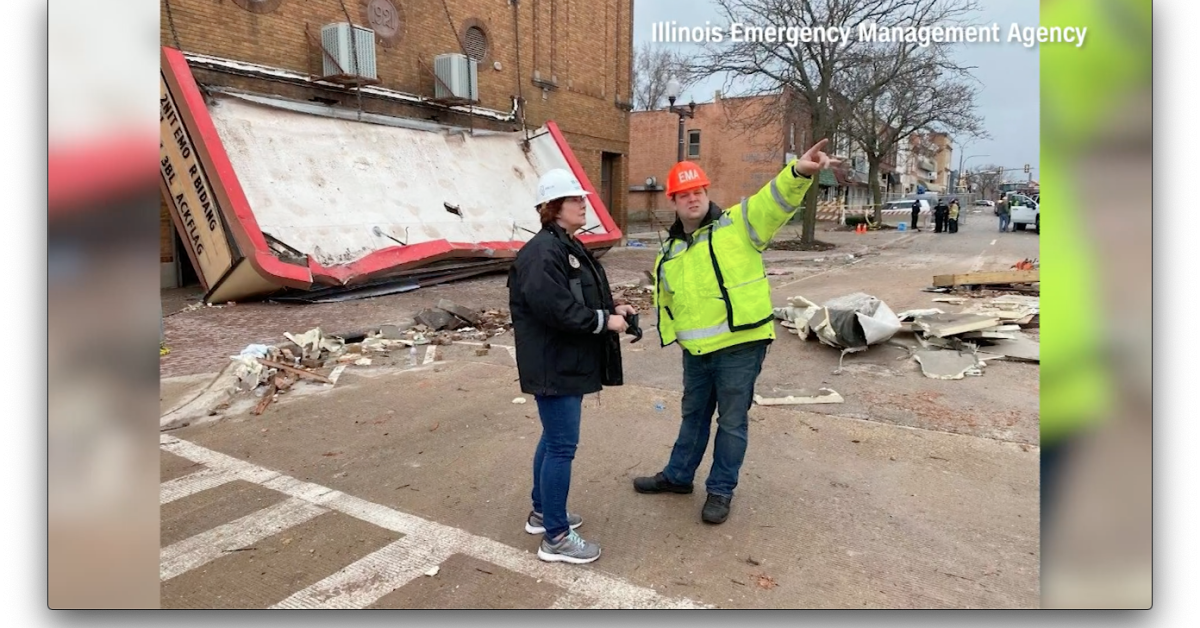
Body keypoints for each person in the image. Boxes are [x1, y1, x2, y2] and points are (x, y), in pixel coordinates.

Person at [632, 139, 839, 524]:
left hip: (741, 345)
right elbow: (670, 302)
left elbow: (772, 200)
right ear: (673, 201)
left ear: (707, 193)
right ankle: (678, 477)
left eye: (698, 191)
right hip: (697, 353)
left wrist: (798, 173)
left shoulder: (739, 224)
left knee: (731, 420)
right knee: (693, 416)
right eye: (684, 194)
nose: (692, 199)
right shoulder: (670, 251)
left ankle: (720, 490)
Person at [507, 168, 634, 564]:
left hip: (565, 361)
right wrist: (603, 322)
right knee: (561, 445)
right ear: (553, 207)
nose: (584, 204)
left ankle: (543, 514)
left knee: (552, 439)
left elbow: (578, 294)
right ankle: (556, 538)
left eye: (582, 198)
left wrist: (613, 307)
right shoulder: (544, 252)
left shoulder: (564, 246)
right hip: (554, 363)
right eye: (575, 199)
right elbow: (556, 309)